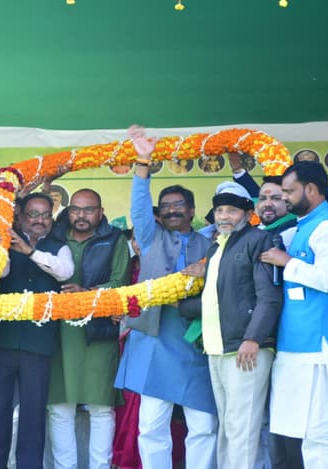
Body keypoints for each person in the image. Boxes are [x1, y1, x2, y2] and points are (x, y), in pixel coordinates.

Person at [115, 125, 216, 469]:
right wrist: (143, 162)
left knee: (203, 424)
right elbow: (139, 207)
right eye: (167, 206)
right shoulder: (151, 237)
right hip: (154, 339)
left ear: (192, 210)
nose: (172, 210)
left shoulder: (211, 246)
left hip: (197, 342)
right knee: (151, 424)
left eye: (179, 205)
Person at [260, 161, 328, 468]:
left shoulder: (327, 227)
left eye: (289, 191)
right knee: (308, 434)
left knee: (321, 437)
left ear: (310, 189)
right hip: (300, 344)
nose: (284, 198)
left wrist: (286, 262)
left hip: (322, 347)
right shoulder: (305, 224)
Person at [0, 192, 75, 469]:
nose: (39, 220)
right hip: (3, 340)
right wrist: (7, 245)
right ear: (20, 216)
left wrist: (31, 252)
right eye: (33, 214)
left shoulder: (59, 246)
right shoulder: (5, 241)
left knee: (33, 411)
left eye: (45, 215)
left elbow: (65, 272)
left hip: (39, 343)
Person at [198, 181, 282, 468]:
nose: (224, 216)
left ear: (248, 214)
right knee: (228, 424)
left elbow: (269, 297)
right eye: (219, 210)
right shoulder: (216, 246)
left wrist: (253, 338)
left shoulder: (259, 239)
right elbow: (216, 297)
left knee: (242, 427)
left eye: (231, 211)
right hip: (218, 347)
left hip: (246, 348)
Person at [47, 188, 130, 469]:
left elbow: (120, 284)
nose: (81, 215)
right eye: (75, 209)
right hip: (58, 331)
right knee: (60, 407)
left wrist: (86, 293)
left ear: (101, 212)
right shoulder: (54, 238)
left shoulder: (114, 239)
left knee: (101, 407)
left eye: (89, 209)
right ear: (68, 211)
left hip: (99, 330)